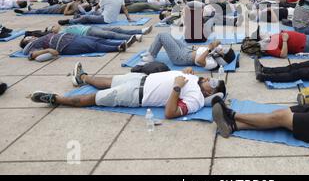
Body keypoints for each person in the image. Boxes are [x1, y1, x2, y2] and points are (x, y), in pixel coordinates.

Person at [29, 63, 226, 119]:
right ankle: (83, 77)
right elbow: (193, 73)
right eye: (212, 78)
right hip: (140, 79)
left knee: (92, 98)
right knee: (105, 80)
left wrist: (176, 87)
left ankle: (55, 99)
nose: (209, 79)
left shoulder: (196, 99)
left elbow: (170, 113)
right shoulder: (197, 79)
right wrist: (189, 73)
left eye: (212, 84)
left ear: (209, 94)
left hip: (134, 96)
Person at [141, 33, 236, 71]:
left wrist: (209, 49)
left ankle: (151, 56)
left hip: (181, 57)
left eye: (223, 50)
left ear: (223, 57)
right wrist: (217, 45)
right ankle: (151, 52)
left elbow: (199, 61)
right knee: (166, 34)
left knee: (162, 36)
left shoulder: (214, 64)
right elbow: (217, 42)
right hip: (187, 49)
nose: (222, 49)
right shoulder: (217, 54)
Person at [20, 32, 128, 61]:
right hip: (65, 45)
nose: (31, 37)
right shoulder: (31, 47)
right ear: (26, 43)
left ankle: (121, 43)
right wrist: (48, 50)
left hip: (69, 37)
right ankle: (117, 48)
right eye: (27, 39)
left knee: (97, 40)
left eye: (29, 37)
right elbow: (31, 55)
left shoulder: (39, 38)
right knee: (93, 45)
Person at [58, 0, 132, 25]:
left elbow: (96, 8)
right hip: (113, 19)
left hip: (105, 19)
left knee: (87, 17)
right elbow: (124, 9)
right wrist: (128, 18)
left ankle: (69, 21)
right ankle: (79, 17)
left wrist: (95, 12)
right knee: (92, 15)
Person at [52, 24, 152, 41]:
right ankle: (134, 36)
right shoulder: (61, 34)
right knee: (110, 35)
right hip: (88, 32)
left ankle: (141, 31)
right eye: (52, 27)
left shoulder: (65, 28)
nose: (54, 26)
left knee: (117, 29)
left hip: (91, 27)